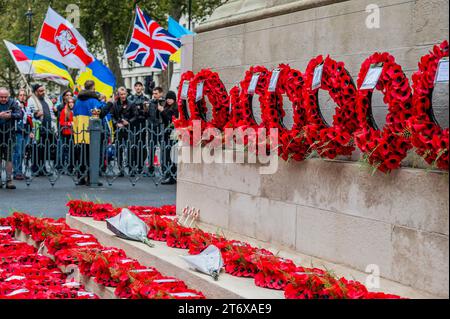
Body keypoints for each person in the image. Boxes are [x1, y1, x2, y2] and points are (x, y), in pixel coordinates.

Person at [73, 80, 110, 186]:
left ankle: (81, 178)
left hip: (80, 131)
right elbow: (100, 113)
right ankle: (91, 178)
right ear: (93, 87)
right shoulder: (93, 101)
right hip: (92, 132)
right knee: (93, 156)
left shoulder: (78, 101)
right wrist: (109, 103)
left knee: (81, 156)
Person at [27, 84, 57, 176]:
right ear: (36, 91)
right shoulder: (32, 100)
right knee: (37, 149)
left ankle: (43, 168)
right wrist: (36, 115)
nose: (43, 92)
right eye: (40, 91)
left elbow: (52, 114)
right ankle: (35, 168)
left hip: (48, 128)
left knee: (45, 150)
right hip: (38, 128)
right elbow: (29, 114)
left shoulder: (47, 100)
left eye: (43, 90)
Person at [109, 87, 137, 175]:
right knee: (119, 149)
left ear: (126, 94)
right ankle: (121, 169)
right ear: (118, 95)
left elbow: (135, 115)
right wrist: (116, 123)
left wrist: (128, 122)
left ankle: (131, 169)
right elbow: (112, 116)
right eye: (121, 94)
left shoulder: (131, 104)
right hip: (119, 129)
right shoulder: (114, 104)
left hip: (129, 129)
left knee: (130, 149)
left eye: (124, 94)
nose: (123, 96)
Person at [0, 87, 21, 189]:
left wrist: (11, 115)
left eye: (5, 97)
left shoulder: (13, 102)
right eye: (1, 97)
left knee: (9, 158)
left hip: (9, 134)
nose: (3, 99)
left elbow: (20, 114)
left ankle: (9, 180)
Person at [128, 81, 150, 173]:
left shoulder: (146, 98)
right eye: (136, 86)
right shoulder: (130, 98)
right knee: (132, 145)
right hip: (133, 124)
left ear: (142, 88)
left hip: (142, 124)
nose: (138, 88)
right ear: (134, 88)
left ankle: (140, 165)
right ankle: (131, 166)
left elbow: (148, 113)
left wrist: (144, 109)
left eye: (139, 86)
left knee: (142, 145)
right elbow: (129, 112)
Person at [158, 90, 178, 185]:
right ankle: (168, 173)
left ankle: (172, 175)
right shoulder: (166, 107)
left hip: (172, 134)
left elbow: (171, 121)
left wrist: (162, 112)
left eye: (171, 98)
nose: (169, 100)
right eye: (168, 98)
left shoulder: (175, 109)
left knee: (171, 155)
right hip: (166, 134)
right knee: (166, 155)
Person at [13, 88, 34, 180]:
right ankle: (16, 172)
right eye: (20, 95)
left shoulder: (27, 106)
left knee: (22, 153)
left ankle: (20, 171)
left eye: (24, 95)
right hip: (18, 131)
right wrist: (19, 109)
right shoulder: (15, 105)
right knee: (17, 152)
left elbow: (29, 120)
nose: (22, 97)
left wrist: (31, 131)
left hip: (26, 131)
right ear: (18, 96)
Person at [59, 96, 75, 173]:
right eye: (70, 102)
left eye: (72, 102)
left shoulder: (75, 110)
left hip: (75, 133)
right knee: (67, 151)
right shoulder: (64, 111)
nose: (71, 104)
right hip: (67, 133)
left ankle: (72, 166)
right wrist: (69, 123)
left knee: (73, 151)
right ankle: (67, 167)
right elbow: (61, 122)